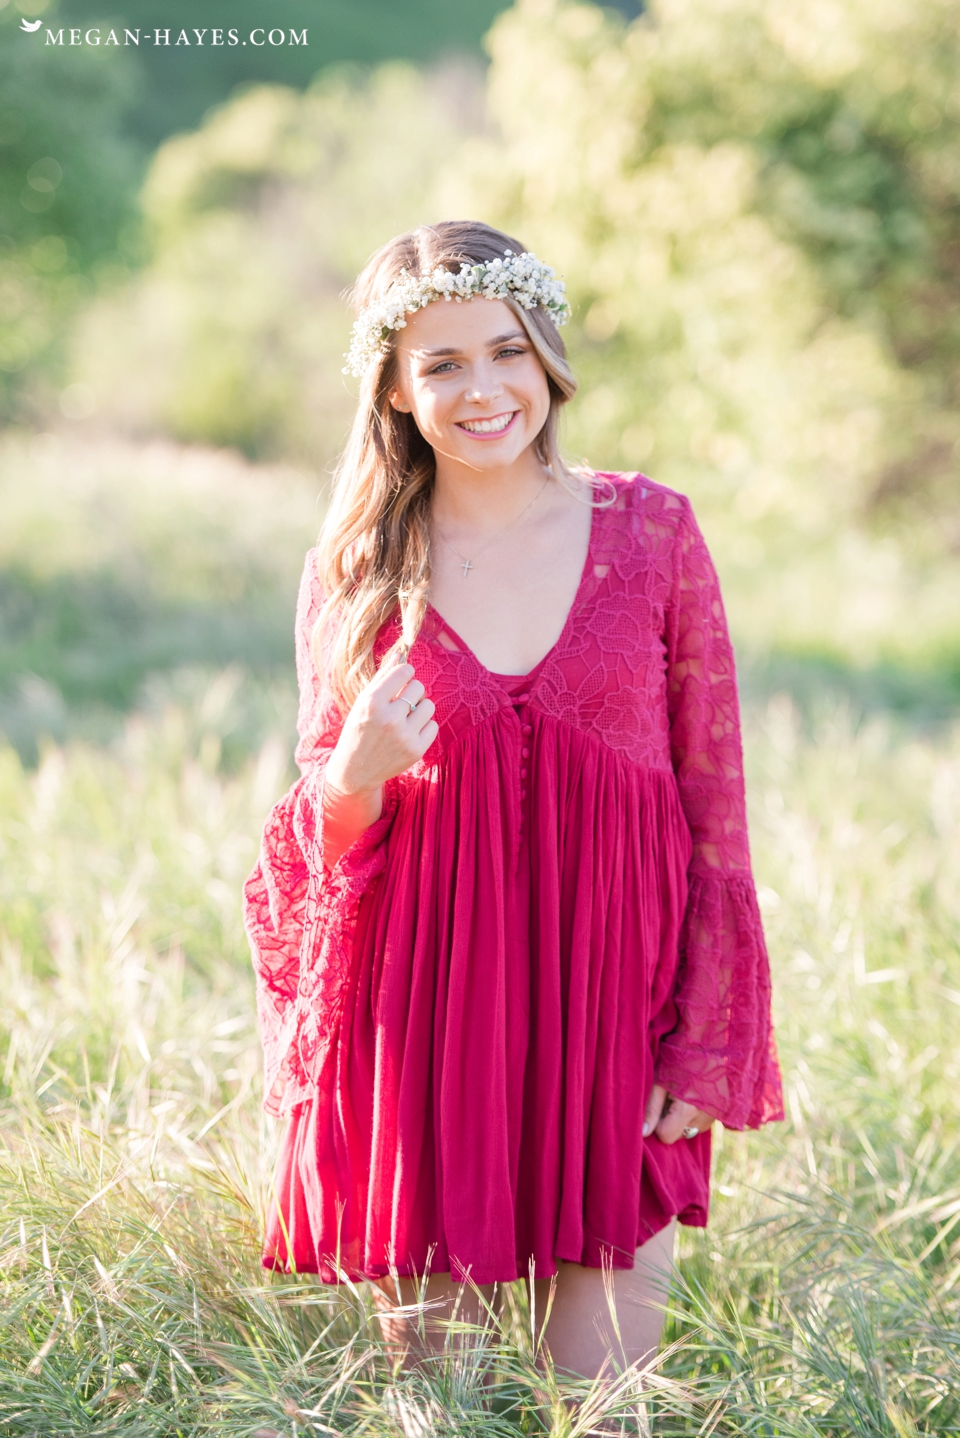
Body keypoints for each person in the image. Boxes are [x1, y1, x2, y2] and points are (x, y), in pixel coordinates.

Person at [243, 220, 783, 1380]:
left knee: (605, 1403)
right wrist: (352, 773)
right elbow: (317, 855)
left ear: (545, 353)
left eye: (506, 351)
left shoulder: (653, 532)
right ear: (394, 388)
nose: (484, 390)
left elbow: (717, 809)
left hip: (615, 1020)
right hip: (431, 1033)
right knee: (443, 1401)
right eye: (442, 364)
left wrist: (705, 1036)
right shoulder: (357, 570)